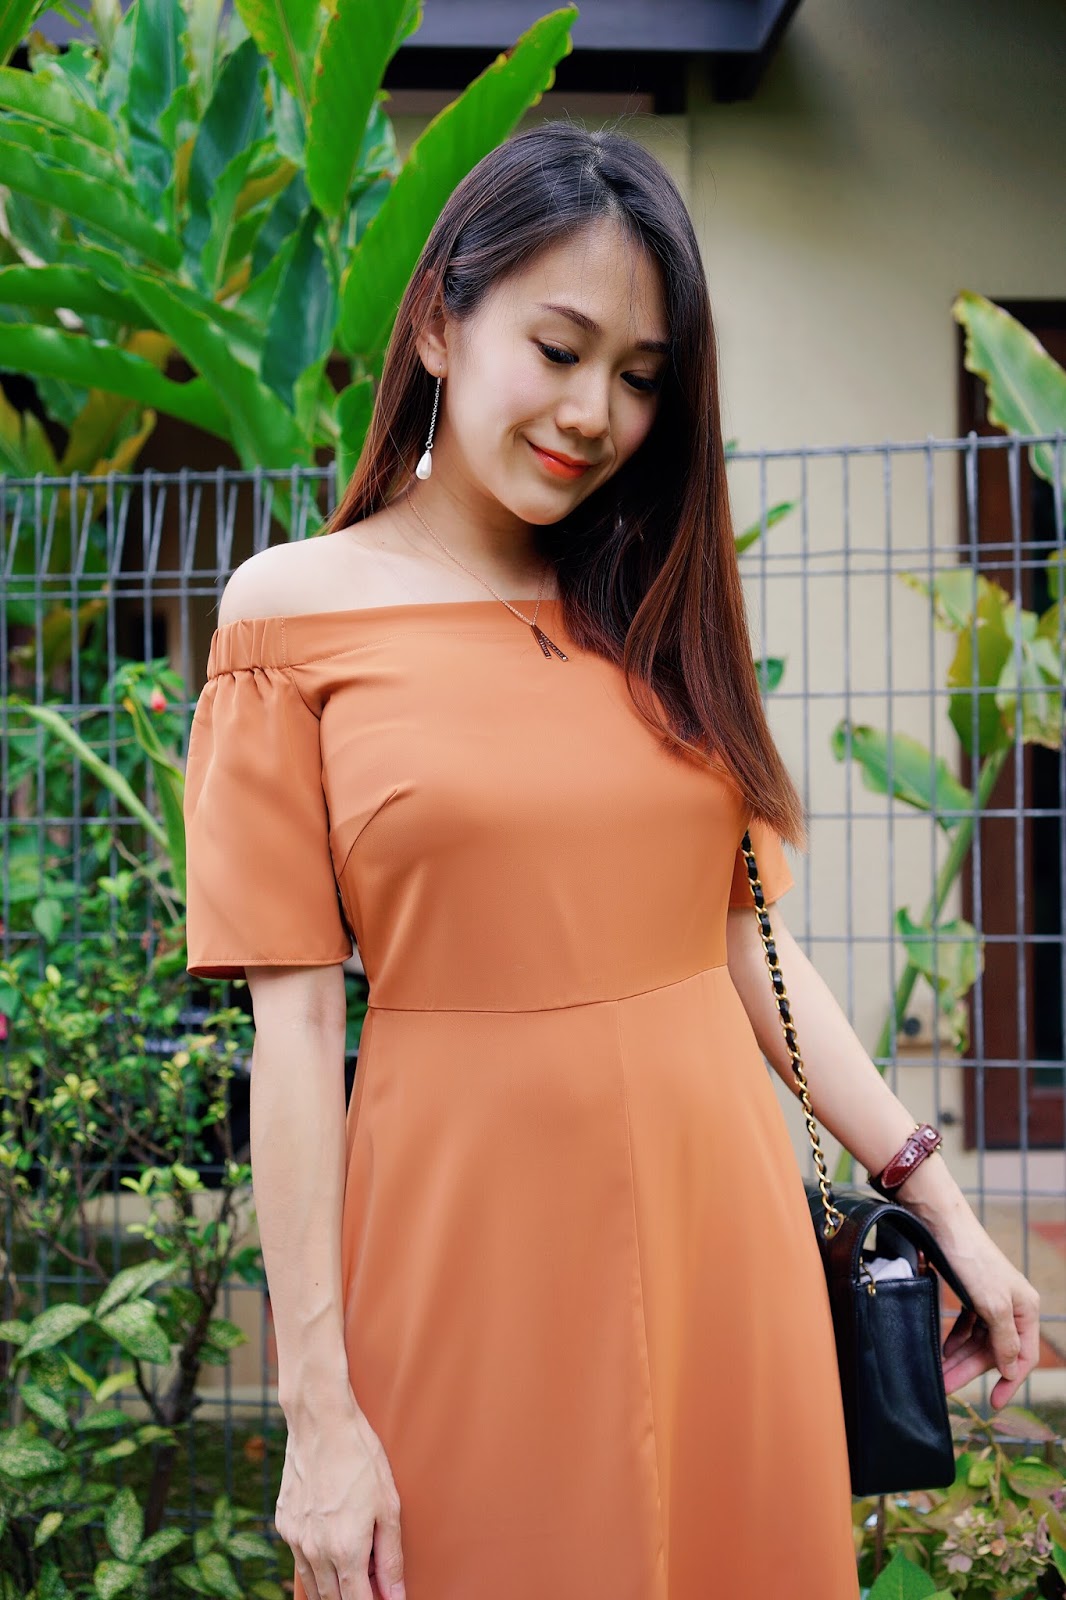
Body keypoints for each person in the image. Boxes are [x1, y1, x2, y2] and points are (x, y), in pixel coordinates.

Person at [182, 120, 1041, 1600]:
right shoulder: (290, 617)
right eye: (559, 348)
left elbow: (742, 944)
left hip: (724, 1233)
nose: (594, 413)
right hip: (465, 1241)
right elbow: (297, 1030)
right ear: (438, 322)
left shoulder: (656, 609)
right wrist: (316, 1414)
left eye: (642, 377)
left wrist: (943, 1207)